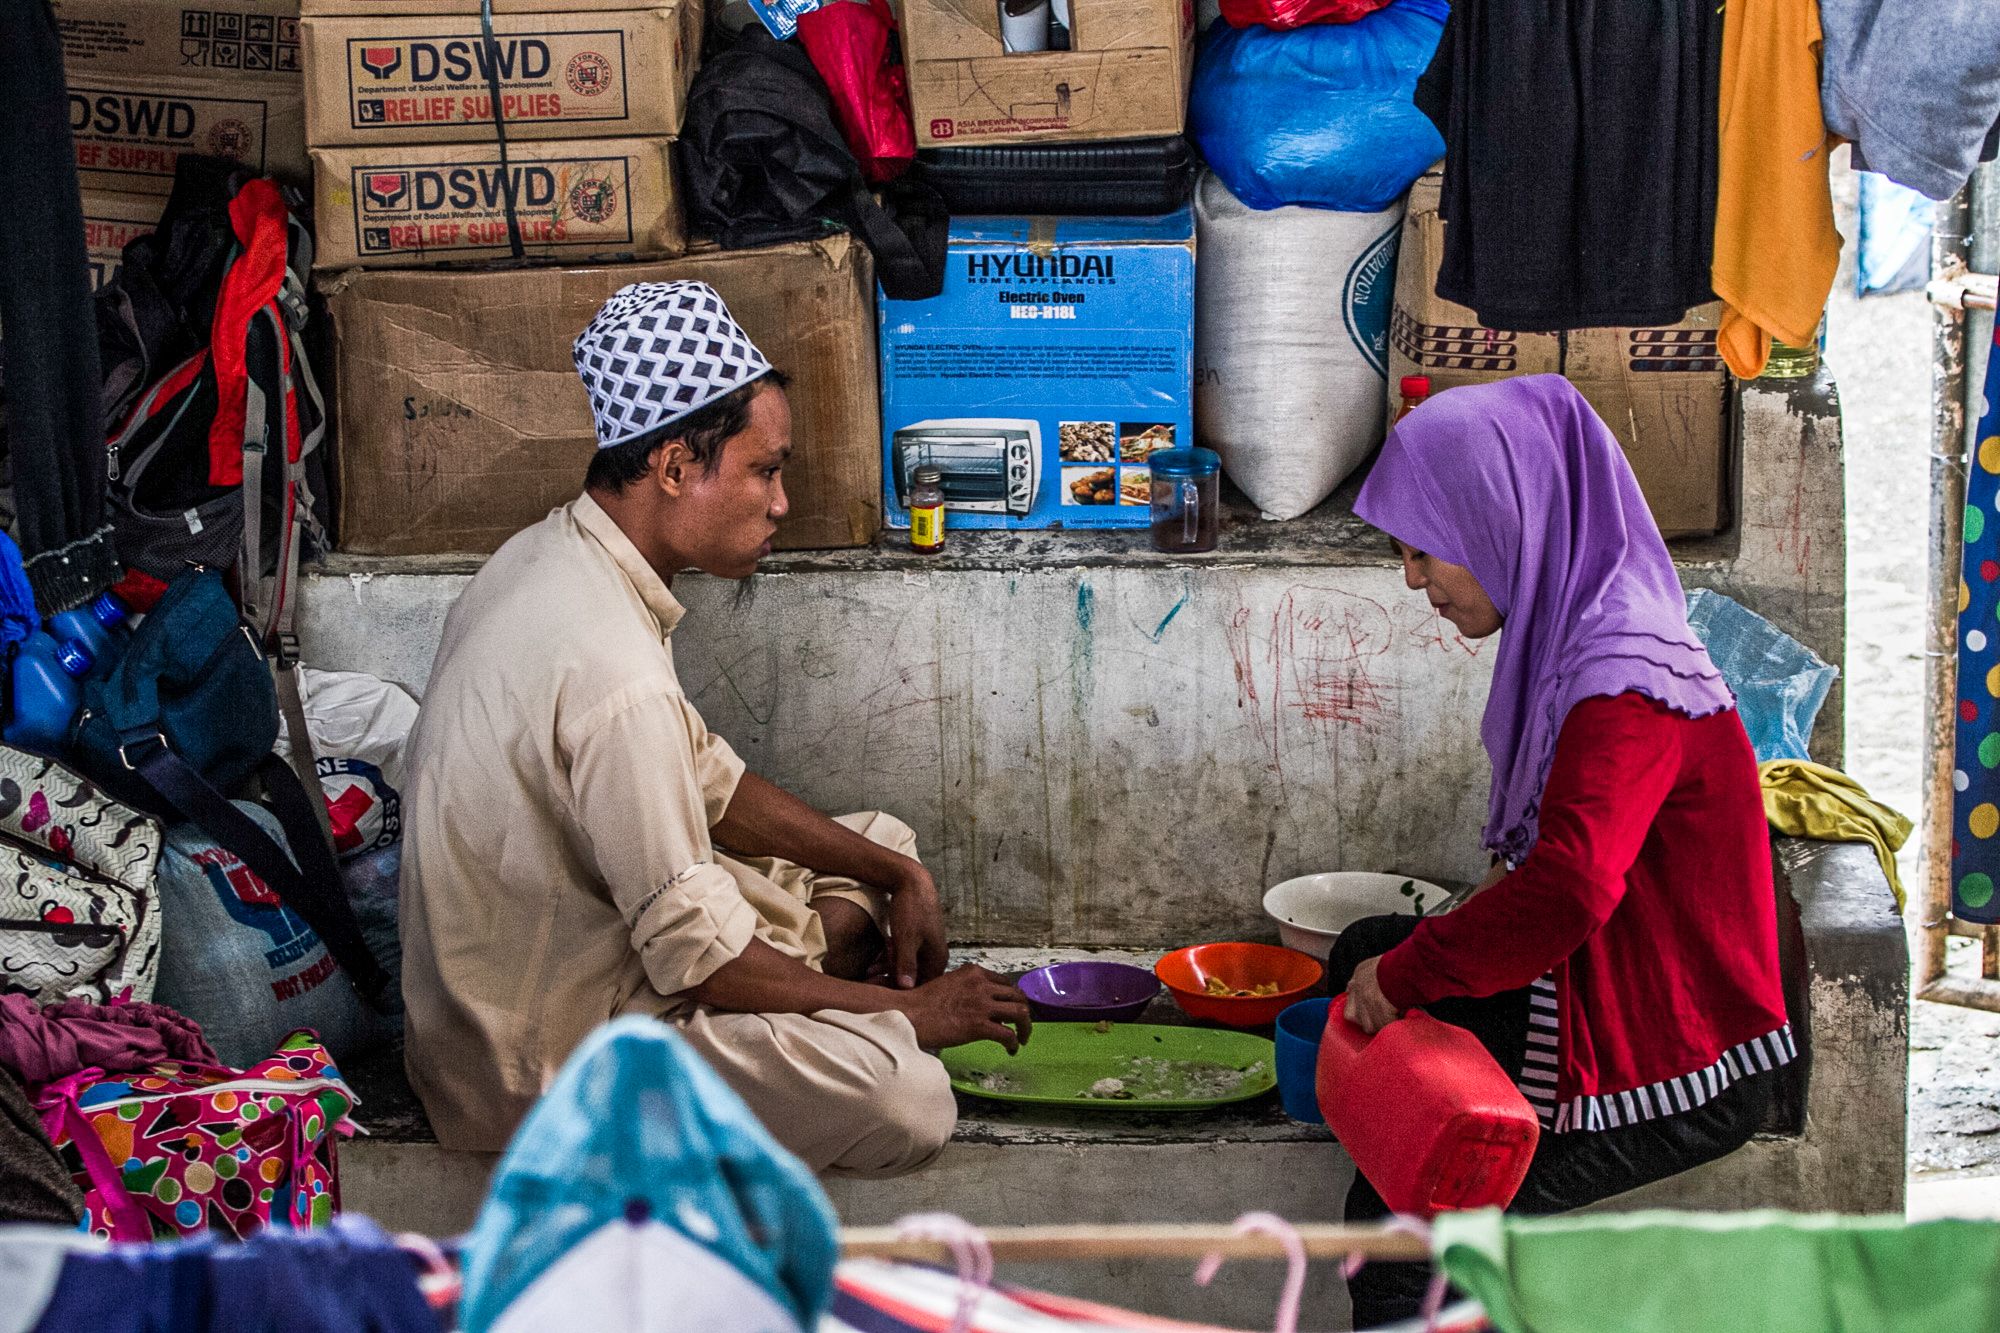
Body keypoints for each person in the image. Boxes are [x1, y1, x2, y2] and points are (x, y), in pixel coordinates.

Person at [398, 282, 1031, 1175]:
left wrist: (898, 871)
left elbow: (713, 784)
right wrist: (905, 1019)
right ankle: (843, 1009)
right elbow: (696, 959)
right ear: (673, 468)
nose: (781, 503)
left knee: (877, 842)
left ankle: (826, 991)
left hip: (549, 983)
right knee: (908, 1093)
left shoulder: (551, 554)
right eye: (765, 470)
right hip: (540, 1067)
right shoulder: (615, 674)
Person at [1332, 375, 1794, 1325]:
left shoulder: (1621, 673)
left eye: (1424, 550)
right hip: (1596, 983)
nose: (1413, 580)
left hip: (1676, 1053)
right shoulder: (1578, 626)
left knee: (1406, 1249)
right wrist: (1404, 964)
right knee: (1354, 954)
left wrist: (1413, 973)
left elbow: (1572, 883)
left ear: (1501, 520)